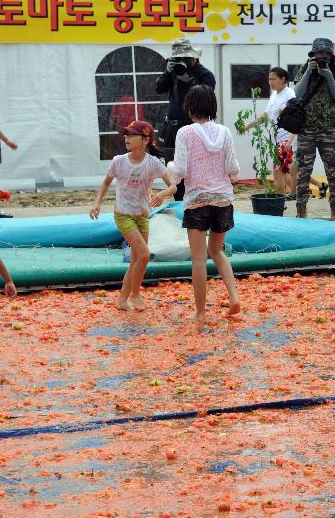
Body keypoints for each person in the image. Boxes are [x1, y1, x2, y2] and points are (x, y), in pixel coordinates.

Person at [168, 86, 241, 331]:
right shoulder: (225, 132)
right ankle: (233, 297)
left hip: (197, 200)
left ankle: (200, 313)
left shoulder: (185, 133)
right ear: (213, 106)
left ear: (190, 108)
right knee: (218, 252)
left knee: (199, 260)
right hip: (222, 200)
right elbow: (233, 167)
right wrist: (229, 175)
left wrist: (167, 171)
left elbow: (179, 170)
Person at [89, 120, 177, 311]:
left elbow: (173, 186)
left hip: (142, 215)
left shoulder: (153, 163)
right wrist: (97, 204)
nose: (127, 138)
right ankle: (135, 294)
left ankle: (122, 300)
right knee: (144, 255)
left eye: (132, 135)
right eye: (126, 134)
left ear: (145, 140)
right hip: (123, 215)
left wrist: (162, 194)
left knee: (137, 260)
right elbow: (105, 183)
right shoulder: (119, 161)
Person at [239, 67, 327, 198]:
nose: (270, 82)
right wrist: (248, 126)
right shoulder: (274, 95)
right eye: (269, 79)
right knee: (287, 170)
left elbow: (297, 115)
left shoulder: (290, 93)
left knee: (285, 170)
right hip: (276, 138)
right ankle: (307, 189)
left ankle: (290, 195)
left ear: (283, 79)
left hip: (288, 137)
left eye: (273, 79)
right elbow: (265, 116)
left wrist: (285, 113)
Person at [155, 38, 216, 202]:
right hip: (172, 128)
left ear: (194, 57)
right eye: (177, 59)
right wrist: (168, 73)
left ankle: (196, 203)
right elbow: (158, 89)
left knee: (196, 167)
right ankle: (180, 203)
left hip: (195, 128)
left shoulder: (205, 75)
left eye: (184, 58)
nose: (181, 62)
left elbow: (205, 99)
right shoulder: (174, 72)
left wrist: (189, 81)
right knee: (174, 168)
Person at [293, 38, 335, 220]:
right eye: (319, 53)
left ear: (331, 56)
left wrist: (328, 75)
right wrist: (309, 71)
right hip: (306, 129)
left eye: (326, 54)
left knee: (332, 170)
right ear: (313, 55)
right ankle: (301, 212)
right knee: (304, 172)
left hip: (328, 129)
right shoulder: (304, 68)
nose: (323, 56)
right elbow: (297, 94)